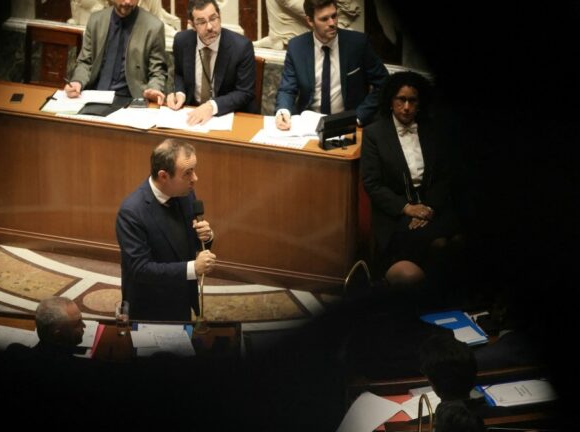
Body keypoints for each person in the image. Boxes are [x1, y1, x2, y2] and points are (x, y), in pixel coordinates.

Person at [361, 71, 461, 294]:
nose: (406, 107)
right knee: (439, 244)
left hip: (430, 207)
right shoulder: (374, 134)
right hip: (396, 213)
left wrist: (428, 209)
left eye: (412, 100)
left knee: (455, 237)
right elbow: (372, 183)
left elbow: (445, 177)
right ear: (391, 101)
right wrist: (408, 209)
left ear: (419, 103)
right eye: (401, 99)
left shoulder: (432, 131)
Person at [116, 139, 216, 321]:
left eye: (193, 170)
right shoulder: (132, 212)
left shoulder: (185, 193)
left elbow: (186, 241)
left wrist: (206, 236)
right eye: (187, 173)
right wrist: (193, 267)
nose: (195, 179)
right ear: (163, 176)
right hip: (151, 305)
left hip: (181, 296)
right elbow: (140, 269)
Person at [274, 0, 387, 130]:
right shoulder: (296, 47)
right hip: (309, 126)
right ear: (310, 21)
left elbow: (383, 83)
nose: (332, 23)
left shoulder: (358, 44)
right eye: (324, 19)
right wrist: (283, 111)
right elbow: (287, 89)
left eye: (334, 16)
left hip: (349, 124)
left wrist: (359, 116)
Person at [166, 0, 256, 126]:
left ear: (220, 18)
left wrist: (212, 106)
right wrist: (180, 93)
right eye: (202, 22)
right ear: (192, 25)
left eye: (213, 19)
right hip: (191, 114)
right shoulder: (182, 41)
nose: (209, 27)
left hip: (227, 117)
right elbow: (179, 74)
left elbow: (245, 92)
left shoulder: (241, 47)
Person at [64, 0, 168, 104]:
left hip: (130, 100)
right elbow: (86, 62)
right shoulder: (96, 20)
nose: (127, 2)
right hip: (93, 95)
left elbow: (157, 72)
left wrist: (154, 89)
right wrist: (77, 82)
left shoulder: (153, 27)